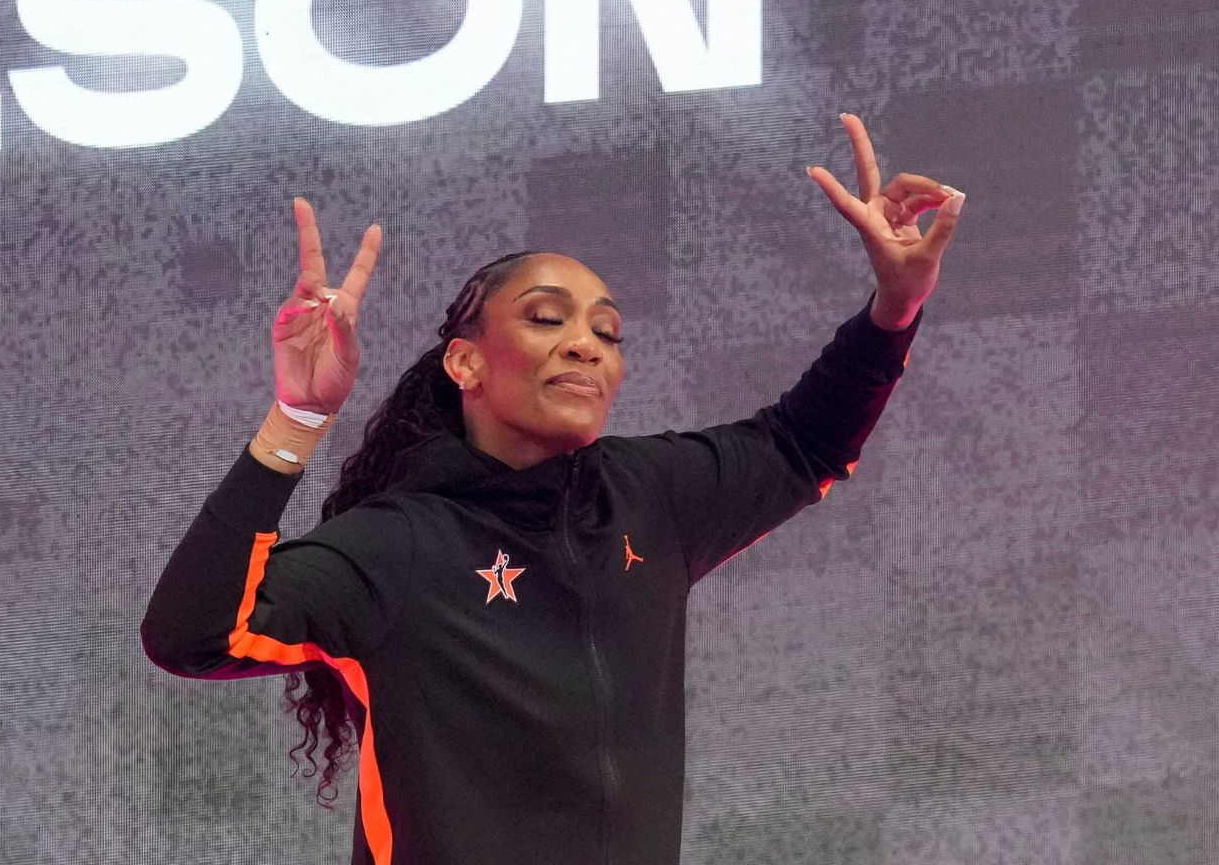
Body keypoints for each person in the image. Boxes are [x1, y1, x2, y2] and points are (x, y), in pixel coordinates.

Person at [141, 115, 965, 865]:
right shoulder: (399, 546)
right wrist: (296, 417)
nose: (585, 345)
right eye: (546, 318)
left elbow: (803, 442)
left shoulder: (651, 497)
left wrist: (896, 305)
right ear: (465, 363)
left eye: (606, 331)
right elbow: (193, 635)